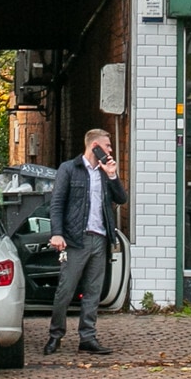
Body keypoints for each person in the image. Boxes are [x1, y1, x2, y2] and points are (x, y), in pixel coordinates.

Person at [43, 128, 126, 355]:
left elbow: (122, 198)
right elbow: (57, 203)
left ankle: (87, 338)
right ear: (94, 146)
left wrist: (112, 175)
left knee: (93, 291)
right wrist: (57, 233)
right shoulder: (69, 169)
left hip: (100, 238)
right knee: (65, 290)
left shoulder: (104, 172)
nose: (110, 150)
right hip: (75, 239)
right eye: (107, 146)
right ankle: (55, 335)